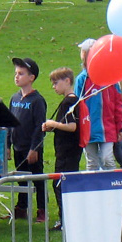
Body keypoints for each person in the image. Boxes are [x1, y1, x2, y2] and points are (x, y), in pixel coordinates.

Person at [73, 38, 122, 171]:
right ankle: (94, 188)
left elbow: (117, 104)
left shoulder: (110, 78)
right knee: (92, 161)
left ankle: (113, 185)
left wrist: (119, 127)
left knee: (108, 159)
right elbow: (77, 104)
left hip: (107, 128)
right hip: (88, 128)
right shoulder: (82, 79)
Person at [41, 68, 81, 230]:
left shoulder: (69, 102)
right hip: (69, 150)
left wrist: (53, 124)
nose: (54, 87)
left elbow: (72, 126)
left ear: (67, 81)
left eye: (56, 83)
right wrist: (54, 128)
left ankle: (65, 220)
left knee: (60, 183)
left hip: (67, 151)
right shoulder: (73, 100)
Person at [8, 57, 46, 222]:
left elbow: (40, 127)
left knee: (37, 179)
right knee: (21, 178)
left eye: (21, 74)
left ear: (31, 78)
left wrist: (34, 148)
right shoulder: (14, 99)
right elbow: (10, 123)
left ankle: (42, 210)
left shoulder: (37, 101)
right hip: (18, 146)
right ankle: (21, 207)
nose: (17, 76)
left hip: (31, 148)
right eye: (16, 73)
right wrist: (8, 145)